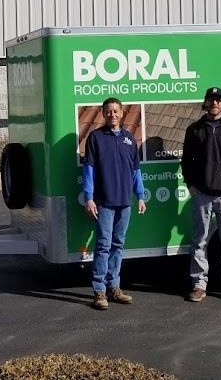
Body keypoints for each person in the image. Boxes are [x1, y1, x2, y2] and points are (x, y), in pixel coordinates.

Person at [181, 86, 221, 303]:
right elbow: (186, 161)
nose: (214, 103)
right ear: (205, 103)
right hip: (202, 195)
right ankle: (199, 285)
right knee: (199, 241)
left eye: (218, 100)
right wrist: (190, 184)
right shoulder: (194, 129)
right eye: (211, 99)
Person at [82, 97, 147, 310]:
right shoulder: (95, 138)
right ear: (103, 113)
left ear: (121, 113)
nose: (112, 115)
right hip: (104, 201)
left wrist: (140, 195)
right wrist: (89, 197)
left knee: (118, 245)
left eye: (116, 111)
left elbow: (136, 171)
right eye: (108, 111)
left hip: (125, 202)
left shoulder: (129, 139)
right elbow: (89, 169)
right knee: (103, 245)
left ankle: (114, 288)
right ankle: (99, 291)